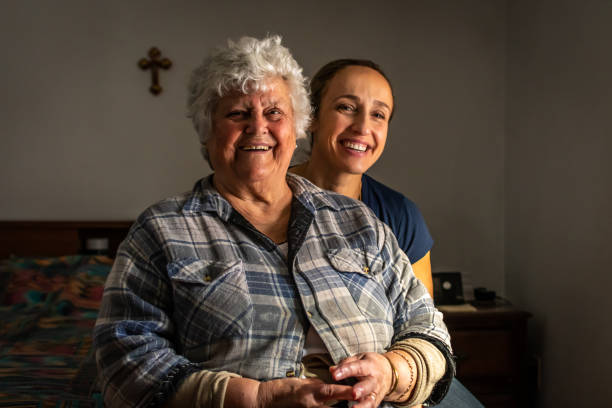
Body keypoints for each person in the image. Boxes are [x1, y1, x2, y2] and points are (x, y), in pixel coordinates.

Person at [94, 36, 454, 408]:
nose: (258, 128)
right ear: (207, 128)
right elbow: (122, 362)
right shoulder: (161, 230)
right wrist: (256, 397)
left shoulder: (358, 221)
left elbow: (427, 326)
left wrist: (392, 371)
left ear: (298, 125)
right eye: (237, 114)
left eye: (274, 113)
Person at [290, 59, 483, 407]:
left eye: (379, 115)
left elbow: (420, 322)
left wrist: (392, 374)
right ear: (312, 117)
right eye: (347, 107)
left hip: (392, 378)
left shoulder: (399, 214)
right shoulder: (270, 200)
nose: (363, 126)